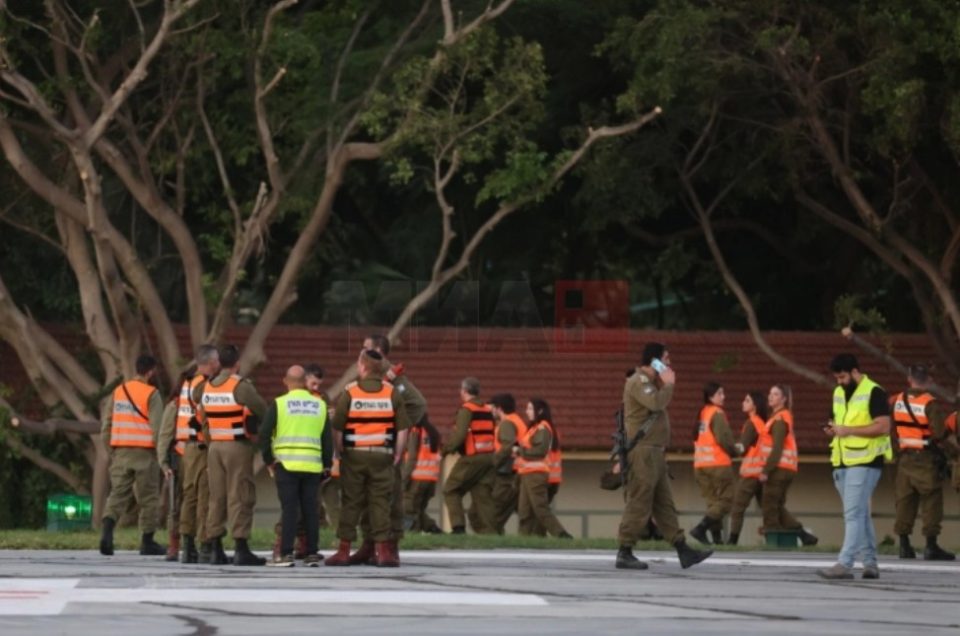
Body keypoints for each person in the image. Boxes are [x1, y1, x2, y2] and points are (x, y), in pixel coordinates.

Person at [615, 342, 713, 570]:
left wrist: (662, 382)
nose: (669, 364)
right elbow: (656, 402)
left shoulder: (651, 383)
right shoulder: (638, 381)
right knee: (639, 502)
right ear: (655, 361)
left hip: (655, 453)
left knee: (664, 505)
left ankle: (683, 549)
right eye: (665, 359)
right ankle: (624, 551)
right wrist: (668, 384)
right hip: (644, 452)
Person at [325, 349, 412, 567]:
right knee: (380, 502)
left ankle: (343, 550)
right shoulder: (391, 393)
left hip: (354, 456)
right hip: (383, 456)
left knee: (351, 502)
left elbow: (338, 427)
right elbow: (403, 429)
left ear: (362, 367)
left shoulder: (351, 393)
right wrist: (398, 453)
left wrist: (339, 451)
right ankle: (383, 552)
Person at [817, 353, 893, 580]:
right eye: (837, 378)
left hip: (866, 460)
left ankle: (845, 563)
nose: (839, 382)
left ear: (854, 372)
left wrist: (848, 430)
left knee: (853, 514)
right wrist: (831, 429)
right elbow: (835, 420)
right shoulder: (838, 392)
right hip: (842, 461)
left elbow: (883, 426)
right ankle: (870, 563)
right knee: (860, 514)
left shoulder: (874, 392)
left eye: (842, 377)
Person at [198, 344, 268, 566]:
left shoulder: (207, 387)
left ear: (218, 363)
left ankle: (215, 548)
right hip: (236, 446)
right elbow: (263, 410)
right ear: (237, 364)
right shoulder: (241, 386)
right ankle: (241, 548)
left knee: (216, 496)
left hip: (214, 447)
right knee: (240, 494)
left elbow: (201, 412)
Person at [260, 365, 333, 567]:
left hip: (286, 464)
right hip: (312, 466)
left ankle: (285, 554)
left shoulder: (279, 404)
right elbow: (327, 439)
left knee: (290, 509)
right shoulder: (319, 405)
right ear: (304, 382)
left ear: (286, 381)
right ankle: (312, 553)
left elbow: (264, 434)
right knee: (310, 509)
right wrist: (327, 464)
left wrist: (269, 460)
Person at [157, 344, 219, 564]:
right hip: (201, 448)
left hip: (184, 450)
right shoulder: (205, 386)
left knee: (186, 499)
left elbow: (168, 431)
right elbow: (206, 420)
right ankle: (204, 545)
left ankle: (186, 546)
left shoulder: (186, 386)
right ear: (209, 363)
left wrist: (163, 461)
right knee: (204, 498)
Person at [99, 354, 166, 557]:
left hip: (121, 452)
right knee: (148, 499)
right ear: (151, 372)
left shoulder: (119, 391)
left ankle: (107, 535)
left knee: (117, 495)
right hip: (145, 454)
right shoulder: (152, 394)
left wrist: (112, 451)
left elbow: (106, 426)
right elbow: (157, 429)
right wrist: (161, 455)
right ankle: (147, 542)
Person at [891, 365, 955, 561]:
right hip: (925, 458)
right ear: (928, 380)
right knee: (931, 501)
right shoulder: (930, 403)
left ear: (909, 379)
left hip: (904, 458)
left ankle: (904, 546)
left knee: (905, 500)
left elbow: (891, 427)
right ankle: (931, 546)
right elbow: (939, 433)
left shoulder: (897, 400)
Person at [756, 384, 816, 545]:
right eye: (770, 393)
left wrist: (766, 470)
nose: (771, 396)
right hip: (785, 468)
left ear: (783, 399)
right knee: (776, 505)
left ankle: (774, 538)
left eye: (775, 394)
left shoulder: (780, 419)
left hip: (779, 469)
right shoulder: (778, 417)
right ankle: (802, 535)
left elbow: (777, 448)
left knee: (769, 505)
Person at [442, 377, 497, 534]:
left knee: (451, 489)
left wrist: (445, 450)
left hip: (472, 457)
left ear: (464, 391)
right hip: (488, 457)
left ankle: (458, 528)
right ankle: (491, 534)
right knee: (483, 497)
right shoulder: (487, 409)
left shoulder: (467, 410)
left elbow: (460, 435)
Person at [514, 398, 572, 538]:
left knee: (540, 508)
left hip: (536, 474)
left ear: (539, 411)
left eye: (530, 408)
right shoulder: (534, 428)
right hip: (527, 473)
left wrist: (519, 451)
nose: (527, 411)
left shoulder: (542, 428)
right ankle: (524, 539)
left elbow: (540, 451)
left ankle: (561, 534)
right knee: (524, 511)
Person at [156, 366, 195, 561]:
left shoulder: (202, 400)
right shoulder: (176, 405)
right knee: (178, 504)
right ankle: (175, 543)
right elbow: (165, 435)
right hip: (180, 457)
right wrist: (164, 464)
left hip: (194, 456)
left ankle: (185, 543)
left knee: (188, 503)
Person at [690, 382, 736, 545]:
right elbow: (724, 438)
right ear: (711, 397)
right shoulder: (717, 413)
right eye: (719, 394)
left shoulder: (702, 413)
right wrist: (734, 451)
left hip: (700, 465)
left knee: (713, 503)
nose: (723, 397)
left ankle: (717, 539)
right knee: (726, 500)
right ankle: (700, 528)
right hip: (718, 464)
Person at [727, 391, 768, 546]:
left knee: (737, 507)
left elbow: (742, 447)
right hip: (762, 472)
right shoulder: (763, 423)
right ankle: (777, 538)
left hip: (751, 472)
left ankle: (732, 541)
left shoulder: (752, 424)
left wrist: (729, 449)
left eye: (747, 400)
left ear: (754, 405)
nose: (743, 402)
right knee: (767, 508)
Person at [490, 393, 527, 534]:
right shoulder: (516, 420)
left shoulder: (507, 423)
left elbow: (507, 447)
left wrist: (493, 462)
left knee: (494, 513)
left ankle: (493, 539)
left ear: (499, 408)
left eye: (493, 408)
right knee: (522, 511)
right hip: (517, 471)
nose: (491, 411)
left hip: (508, 473)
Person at [402, 415, 443, 533]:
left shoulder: (416, 432)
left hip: (417, 478)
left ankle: (413, 533)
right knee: (419, 509)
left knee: (409, 508)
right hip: (431, 479)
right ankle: (432, 528)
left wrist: (404, 480)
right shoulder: (432, 432)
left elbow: (412, 459)